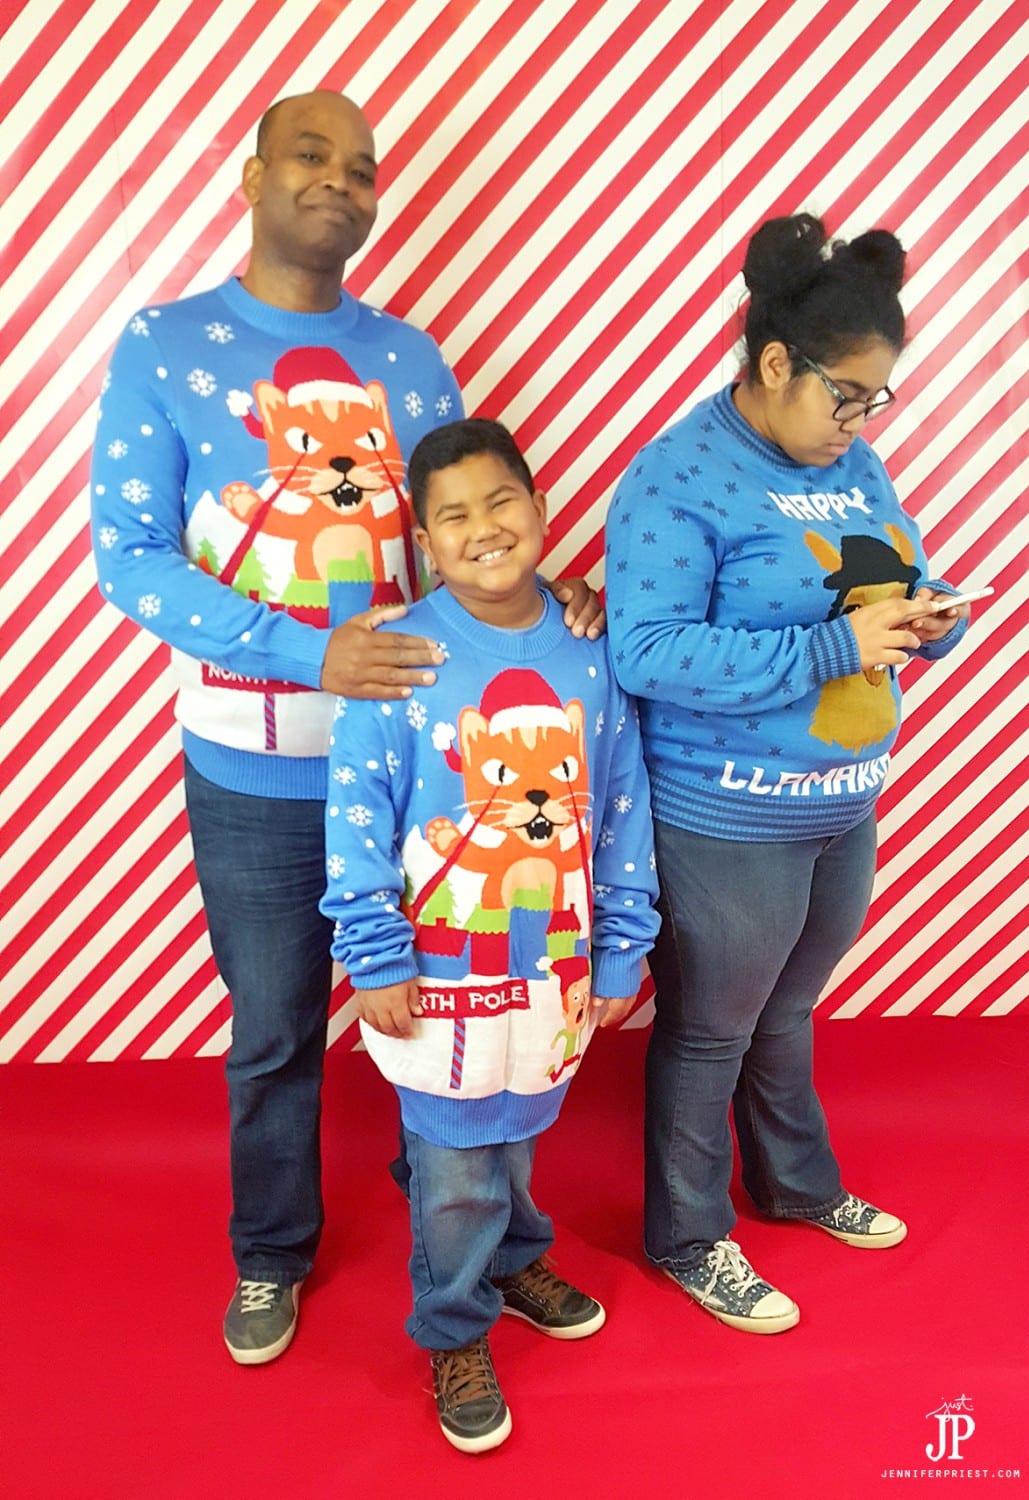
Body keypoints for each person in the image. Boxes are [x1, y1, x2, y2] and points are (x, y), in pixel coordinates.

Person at [89, 91, 601, 1367]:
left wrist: (548, 603)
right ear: (252, 174)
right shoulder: (165, 343)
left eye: (362, 167)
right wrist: (305, 649)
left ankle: (481, 1244)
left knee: (463, 1012)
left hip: (429, 770)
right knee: (275, 1024)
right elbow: (129, 555)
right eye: (311, 155)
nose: (340, 180)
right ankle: (271, 1251)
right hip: (254, 766)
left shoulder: (412, 360)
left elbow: (459, 539)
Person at [605, 213, 970, 1335]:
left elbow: (890, 576)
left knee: (789, 1008)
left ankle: (796, 1185)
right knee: (712, 1027)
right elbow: (645, 652)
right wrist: (831, 648)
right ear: (775, 364)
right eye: (845, 397)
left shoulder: (851, 464)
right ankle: (687, 1235)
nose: (860, 423)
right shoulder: (676, 476)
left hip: (840, 803)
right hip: (725, 815)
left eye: (875, 400)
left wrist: (929, 618)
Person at [321, 418, 659, 1452]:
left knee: (513, 1129)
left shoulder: (592, 651)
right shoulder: (402, 656)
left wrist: (622, 944)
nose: (485, 529)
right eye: (455, 516)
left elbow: (622, 807)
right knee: (457, 1160)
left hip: (552, 963)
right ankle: (454, 1326)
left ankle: (512, 1259)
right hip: (434, 970)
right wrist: (373, 955)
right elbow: (355, 815)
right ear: (426, 541)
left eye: (501, 501)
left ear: (540, 507)